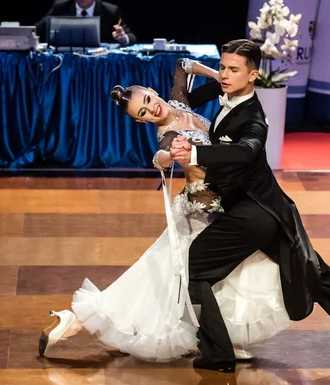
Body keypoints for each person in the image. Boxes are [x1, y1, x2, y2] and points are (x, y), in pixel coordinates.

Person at [169, 39, 330, 373]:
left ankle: (219, 354)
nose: (225, 74)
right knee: (320, 279)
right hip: (274, 213)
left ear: (253, 75)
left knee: (194, 269)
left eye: (234, 69)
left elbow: (247, 151)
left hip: (251, 214)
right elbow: (182, 98)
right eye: (222, 67)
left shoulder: (254, 119)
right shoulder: (225, 93)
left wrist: (194, 154)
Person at [38, 57, 291, 362]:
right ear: (140, 121)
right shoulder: (168, 135)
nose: (150, 109)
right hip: (204, 208)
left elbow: (183, 64)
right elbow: (161, 156)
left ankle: (215, 336)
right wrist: (167, 157)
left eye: (147, 100)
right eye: (143, 113)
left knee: (179, 276)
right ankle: (83, 320)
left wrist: (218, 78)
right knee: (181, 276)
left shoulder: (178, 102)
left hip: (217, 203)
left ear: (151, 90)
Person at [35, 0, 136, 45]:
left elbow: (131, 37)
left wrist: (123, 38)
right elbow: (38, 28)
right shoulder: (61, 7)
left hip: (97, 62)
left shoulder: (110, 11)